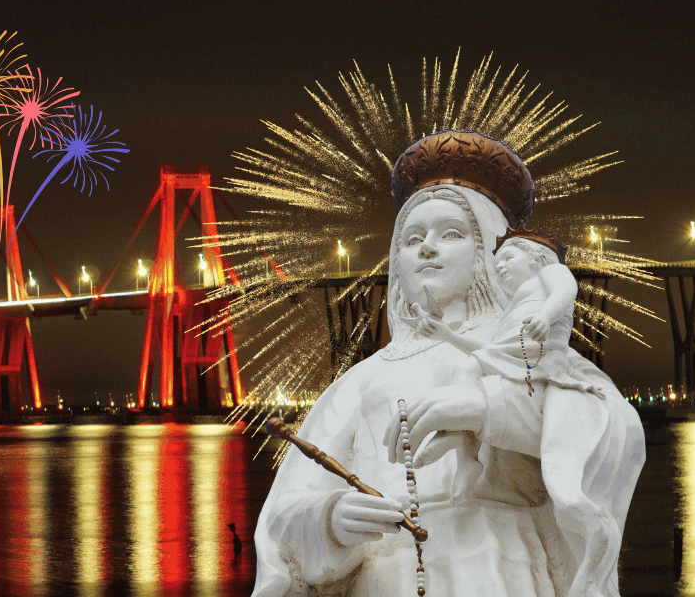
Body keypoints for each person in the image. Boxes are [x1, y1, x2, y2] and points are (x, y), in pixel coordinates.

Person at [251, 130, 645, 597]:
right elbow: (287, 509)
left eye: (451, 234)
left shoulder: (520, 347)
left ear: (487, 254)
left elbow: (608, 431)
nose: (427, 248)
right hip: (387, 577)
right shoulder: (362, 380)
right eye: (412, 238)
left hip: (501, 565)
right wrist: (330, 519)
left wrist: (484, 411)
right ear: (396, 260)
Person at [407, 228, 625, 595]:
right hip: (510, 360)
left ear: (537, 258)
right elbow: (488, 348)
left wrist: (546, 314)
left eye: (508, 258)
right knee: (470, 364)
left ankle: (457, 440)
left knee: (472, 370)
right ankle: (465, 457)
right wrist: (446, 334)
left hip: (539, 365)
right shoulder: (515, 305)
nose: (501, 268)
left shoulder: (548, 274)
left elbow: (565, 291)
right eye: (496, 264)